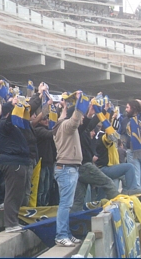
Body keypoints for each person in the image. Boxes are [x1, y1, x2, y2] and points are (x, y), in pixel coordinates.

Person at [52, 91, 84, 247]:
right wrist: (78, 102)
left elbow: (64, 117)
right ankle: (61, 235)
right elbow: (75, 119)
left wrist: (65, 106)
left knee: (67, 204)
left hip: (67, 168)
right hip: (66, 168)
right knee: (65, 204)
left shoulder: (60, 124)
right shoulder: (67, 126)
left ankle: (66, 233)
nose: (82, 118)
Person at [0, 98, 31, 233]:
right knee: (12, 194)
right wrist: (14, 104)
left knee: (18, 194)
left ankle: (13, 221)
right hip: (12, 163)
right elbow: (11, 119)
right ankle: (10, 224)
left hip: (19, 162)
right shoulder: (5, 124)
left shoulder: (13, 126)